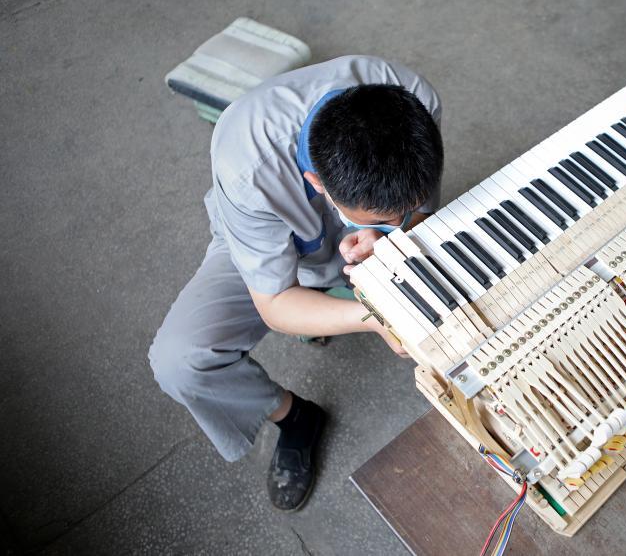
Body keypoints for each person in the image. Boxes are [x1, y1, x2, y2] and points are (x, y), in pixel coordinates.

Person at [148, 55, 443, 511]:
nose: (397, 222)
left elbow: (419, 211)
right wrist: (376, 316)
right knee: (180, 362)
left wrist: (389, 232)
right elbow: (276, 301)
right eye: (383, 217)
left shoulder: (414, 98)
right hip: (263, 240)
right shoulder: (247, 168)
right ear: (315, 183)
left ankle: (339, 285)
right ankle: (294, 417)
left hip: (351, 230)